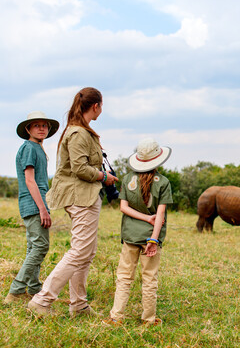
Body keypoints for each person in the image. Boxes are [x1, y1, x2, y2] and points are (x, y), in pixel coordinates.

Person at [27, 87, 118, 317]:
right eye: (101, 105)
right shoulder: (78, 133)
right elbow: (79, 169)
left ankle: (79, 305)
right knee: (80, 252)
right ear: (96, 106)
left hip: (84, 196)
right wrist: (104, 177)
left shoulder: (81, 130)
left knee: (86, 252)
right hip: (81, 197)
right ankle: (42, 300)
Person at [107, 138, 172, 326]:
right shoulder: (164, 182)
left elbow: (123, 208)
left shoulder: (127, 179)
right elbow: (160, 214)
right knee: (150, 278)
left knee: (124, 277)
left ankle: (116, 316)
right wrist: (153, 238)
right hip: (150, 238)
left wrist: (143, 218)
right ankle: (148, 319)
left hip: (130, 236)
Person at [4, 112, 59, 304]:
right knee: (41, 246)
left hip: (36, 203)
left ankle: (34, 288)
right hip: (34, 204)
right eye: (37, 125)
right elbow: (30, 180)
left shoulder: (37, 148)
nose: (42, 128)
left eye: (45, 125)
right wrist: (43, 209)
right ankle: (16, 290)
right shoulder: (29, 148)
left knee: (33, 246)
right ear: (28, 129)